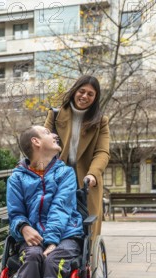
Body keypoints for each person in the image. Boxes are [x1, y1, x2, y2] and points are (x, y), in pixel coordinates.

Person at [3, 125, 83, 278]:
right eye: (49, 134)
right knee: (32, 256)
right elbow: (15, 213)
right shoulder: (16, 177)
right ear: (36, 143)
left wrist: (52, 241)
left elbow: (61, 208)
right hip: (32, 237)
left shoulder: (65, 173)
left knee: (53, 259)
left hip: (65, 236)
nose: (55, 135)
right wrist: (24, 228)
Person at [44, 75, 110, 238]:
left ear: (95, 98)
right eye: (82, 91)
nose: (85, 96)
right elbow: (42, 144)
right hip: (58, 178)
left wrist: (93, 174)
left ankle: (85, 261)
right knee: (55, 222)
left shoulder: (100, 121)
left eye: (90, 94)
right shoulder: (55, 115)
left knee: (87, 229)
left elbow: (102, 152)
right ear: (74, 91)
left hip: (87, 181)